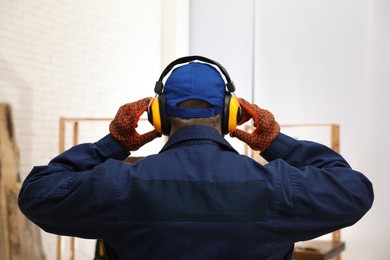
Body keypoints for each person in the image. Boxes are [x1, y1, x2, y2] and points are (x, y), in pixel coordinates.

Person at [18, 56, 373, 260]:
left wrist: (111, 145)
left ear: (158, 116)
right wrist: (278, 142)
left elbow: (36, 193)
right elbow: (354, 191)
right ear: (231, 113)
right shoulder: (276, 187)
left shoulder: (118, 185)